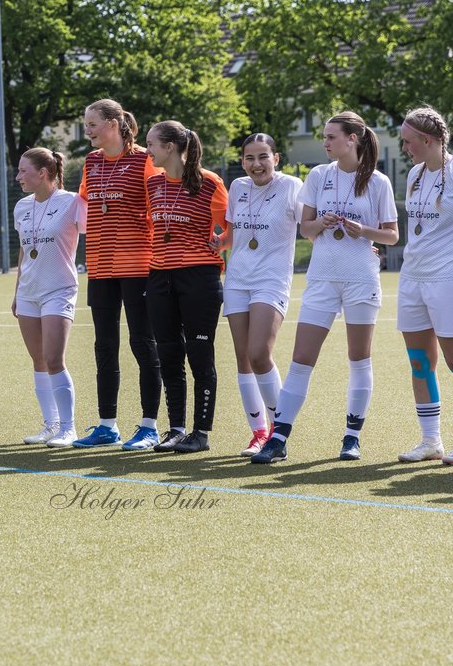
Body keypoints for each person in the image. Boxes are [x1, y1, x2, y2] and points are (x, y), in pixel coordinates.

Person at [252, 111, 399, 463]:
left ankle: (352, 437)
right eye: (324, 136)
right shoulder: (318, 175)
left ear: (353, 139)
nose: (325, 142)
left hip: (362, 279)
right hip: (322, 280)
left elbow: (392, 235)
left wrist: (362, 230)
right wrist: (321, 222)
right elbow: (305, 229)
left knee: (359, 358)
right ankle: (279, 437)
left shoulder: (378, 182)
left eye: (331, 136)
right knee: (302, 359)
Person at [74, 98, 162, 449]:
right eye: (86, 124)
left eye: (92, 123)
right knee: (104, 345)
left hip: (139, 267)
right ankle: (107, 425)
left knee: (143, 343)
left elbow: (161, 202)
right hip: (100, 266)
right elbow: (84, 204)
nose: (88, 130)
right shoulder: (91, 162)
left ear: (113, 123)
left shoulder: (145, 159)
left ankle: (149, 427)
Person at [143, 121, 228, 452]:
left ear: (169, 147)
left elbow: (231, 226)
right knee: (168, 355)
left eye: (150, 144)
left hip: (200, 278)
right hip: (159, 277)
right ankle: (176, 429)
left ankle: (200, 433)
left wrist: (219, 244)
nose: (147, 150)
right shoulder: (153, 184)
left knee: (199, 356)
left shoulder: (209, 182)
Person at [223, 134, 303, 456]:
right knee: (243, 359)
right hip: (237, 278)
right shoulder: (237, 188)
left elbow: (310, 225)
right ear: (242, 161)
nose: (256, 164)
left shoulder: (292, 186)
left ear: (276, 158)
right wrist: (221, 243)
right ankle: (259, 433)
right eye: (250, 158)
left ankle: (277, 435)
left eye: (263, 157)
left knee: (259, 354)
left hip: (271, 279)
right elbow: (234, 235)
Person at [14, 148, 85, 448]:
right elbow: (23, 250)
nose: (18, 177)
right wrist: (17, 291)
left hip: (59, 289)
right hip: (28, 292)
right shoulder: (21, 206)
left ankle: (69, 428)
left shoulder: (71, 202)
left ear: (43, 173)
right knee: (39, 360)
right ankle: (50, 424)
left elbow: (93, 234)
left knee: (55, 359)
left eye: (23, 171)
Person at [393, 107, 453, 464]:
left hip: (446, 278)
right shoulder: (415, 174)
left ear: (427, 140)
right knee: (419, 362)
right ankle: (431, 442)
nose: (405, 147)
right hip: (412, 277)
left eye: (408, 141)